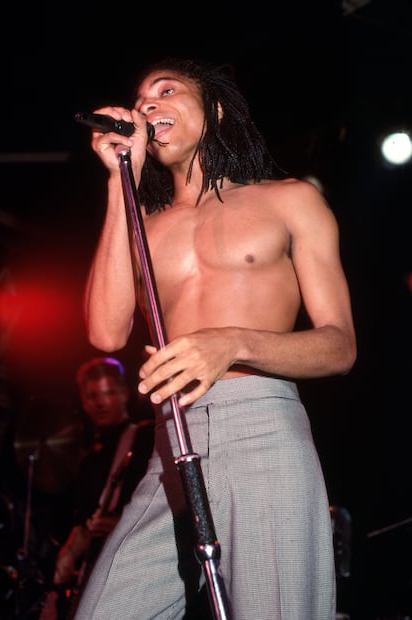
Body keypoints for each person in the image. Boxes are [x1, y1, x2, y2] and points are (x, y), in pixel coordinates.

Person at [74, 57, 357, 620]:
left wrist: (232, 342)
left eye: (166, 91)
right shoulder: (145, 223)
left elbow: (339, 345)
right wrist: (118, 181)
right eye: (141, 97)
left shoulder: (289, 200)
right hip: (170, 442)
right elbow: (105, 331)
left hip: (261, 427)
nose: (147, 105)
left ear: (217, 110)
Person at [45, 356, 154, 618]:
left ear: (124, 393)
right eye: (92, 395)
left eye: (108, 393)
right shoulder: (88, 458)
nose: (100, 402)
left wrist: (123, 523)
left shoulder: (147, 439)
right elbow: (82, 518)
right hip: (94, 569)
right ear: (83, 400)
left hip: (136, 566)